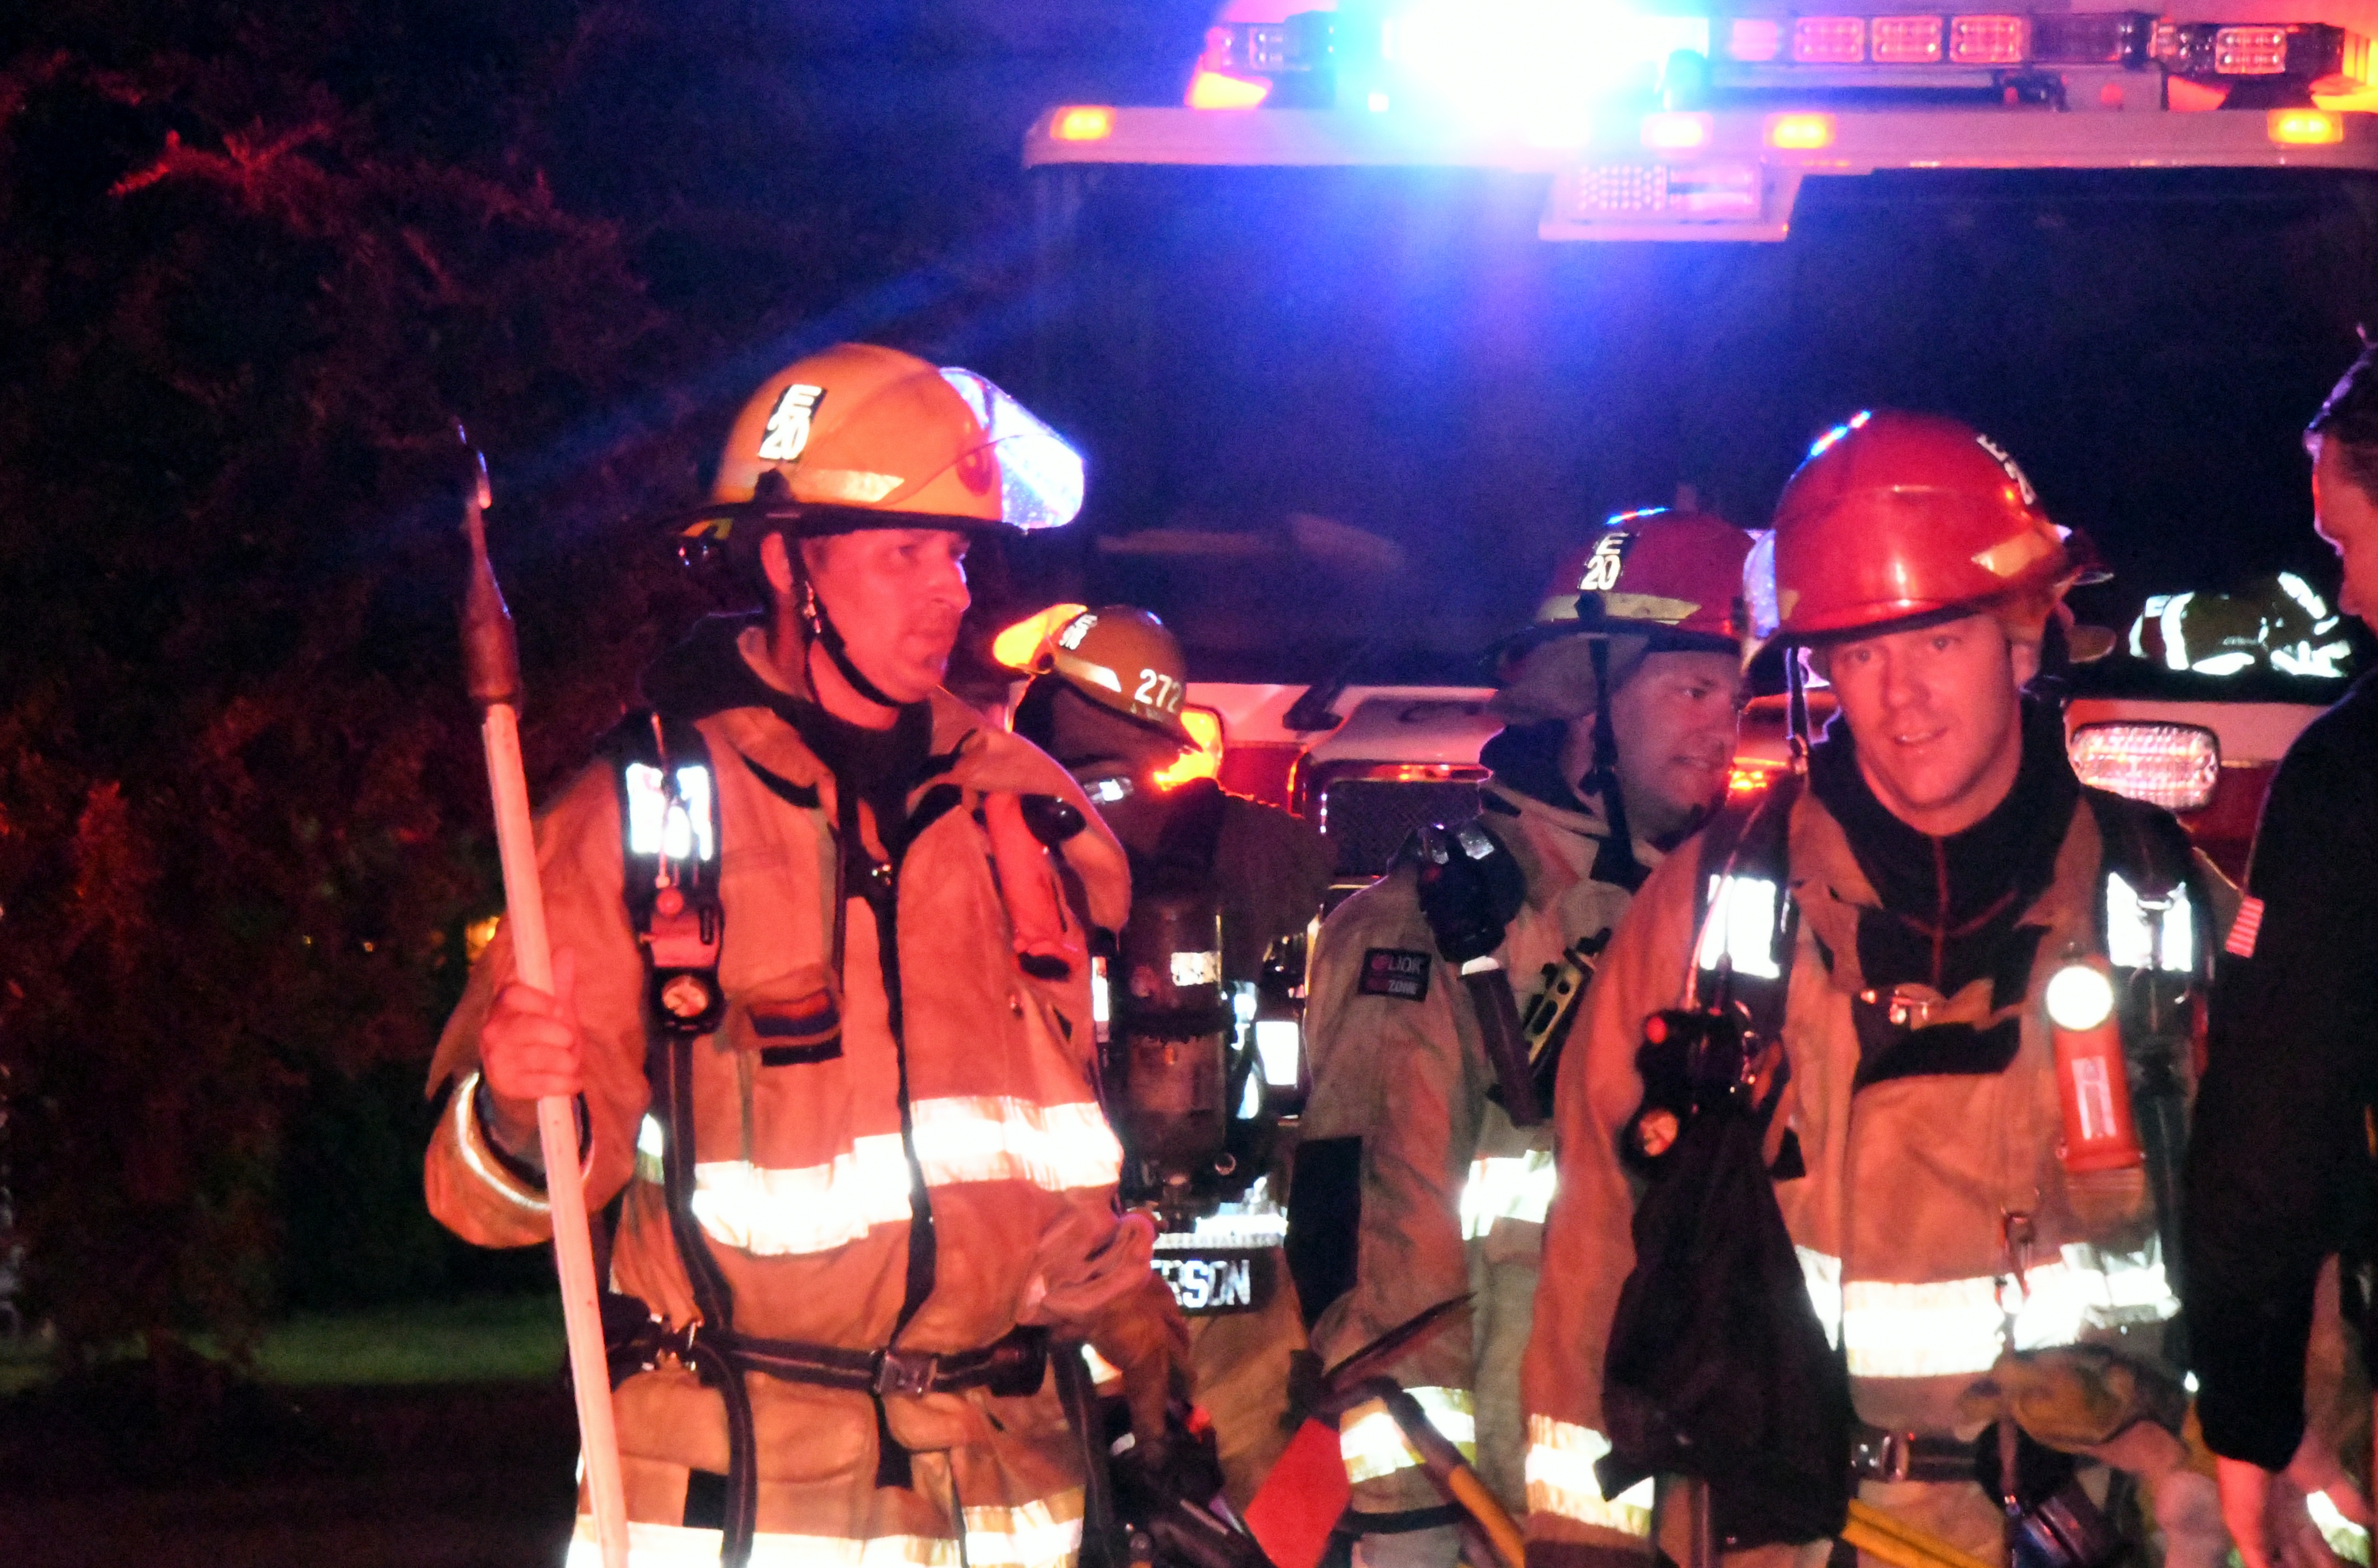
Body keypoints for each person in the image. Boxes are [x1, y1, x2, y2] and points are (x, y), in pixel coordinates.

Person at [423, 343, 1188, 1568]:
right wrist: (515, 1112)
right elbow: (488, 1200)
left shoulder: (1013, 813)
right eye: (903, 555)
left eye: (956, 555)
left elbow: (1052, 1150)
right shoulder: (646, 817)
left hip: (1007, 1490)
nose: (948, 593)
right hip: (749, 1497)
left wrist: (1135, 1333)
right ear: (789, 564)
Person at [1524, 412, 2233, 1568]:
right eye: (1860, 654)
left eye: (1937, 641)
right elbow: (1597, 1247)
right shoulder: (1707, 913)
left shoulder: (2162, 906)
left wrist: (2242, 1479)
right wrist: (1582, 1547)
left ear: (2021, 640)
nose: (1900, 700)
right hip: (1781, 1536)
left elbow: (2283, 1239)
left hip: (2089, 1529)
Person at [1288, 509, 1755, 1568]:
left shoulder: (1730, 921)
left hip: (1702, 1503)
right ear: (1587, 708)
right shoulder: (1433, 928)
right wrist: (1408, 1524)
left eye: (1734, 700)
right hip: (1504, 1513)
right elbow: (1379, 1246)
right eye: (1692, 692)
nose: (1725, 730)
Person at [1007, 603, 1334, 1507]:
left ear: (1056, 707)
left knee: (1073, 1489)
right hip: (1235, 1228)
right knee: (1271, 1501)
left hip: (1069, 1243)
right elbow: (1318, 859)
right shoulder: (1260, 844)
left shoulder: (998, 838)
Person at [2186, 343, 2378, 1568]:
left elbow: (2275, 1121)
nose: (2349, 594)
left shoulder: (2352, 777)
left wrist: (2251, 1413)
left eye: (2349, 542)